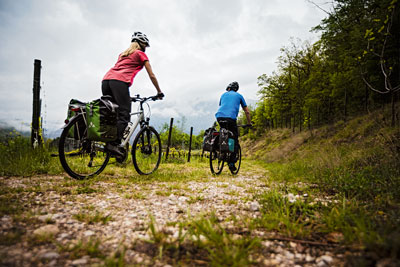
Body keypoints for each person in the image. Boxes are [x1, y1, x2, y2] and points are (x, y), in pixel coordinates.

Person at [102, 32, 164, 156]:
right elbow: (151, 75)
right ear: (141, 44)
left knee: (112, 113)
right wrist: (159, 91)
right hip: (119, 82)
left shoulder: (122, 55)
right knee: (124, 115)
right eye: (145, 45)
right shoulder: (140, 54)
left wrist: (124, 95)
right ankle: (113, 145)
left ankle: (109, 142)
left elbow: (118, 71)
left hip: (106, 81)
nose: (146, 48)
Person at [215, 81, 251, 171]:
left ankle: (219, 152)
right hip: (231, 119)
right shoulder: (239, 96)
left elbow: (222, 106)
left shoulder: (223, 95)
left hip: (219, 117)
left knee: (223, 132)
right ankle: (231, 163)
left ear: (229, 88)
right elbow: (247, 111)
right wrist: (249, 123)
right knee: (234, 139)